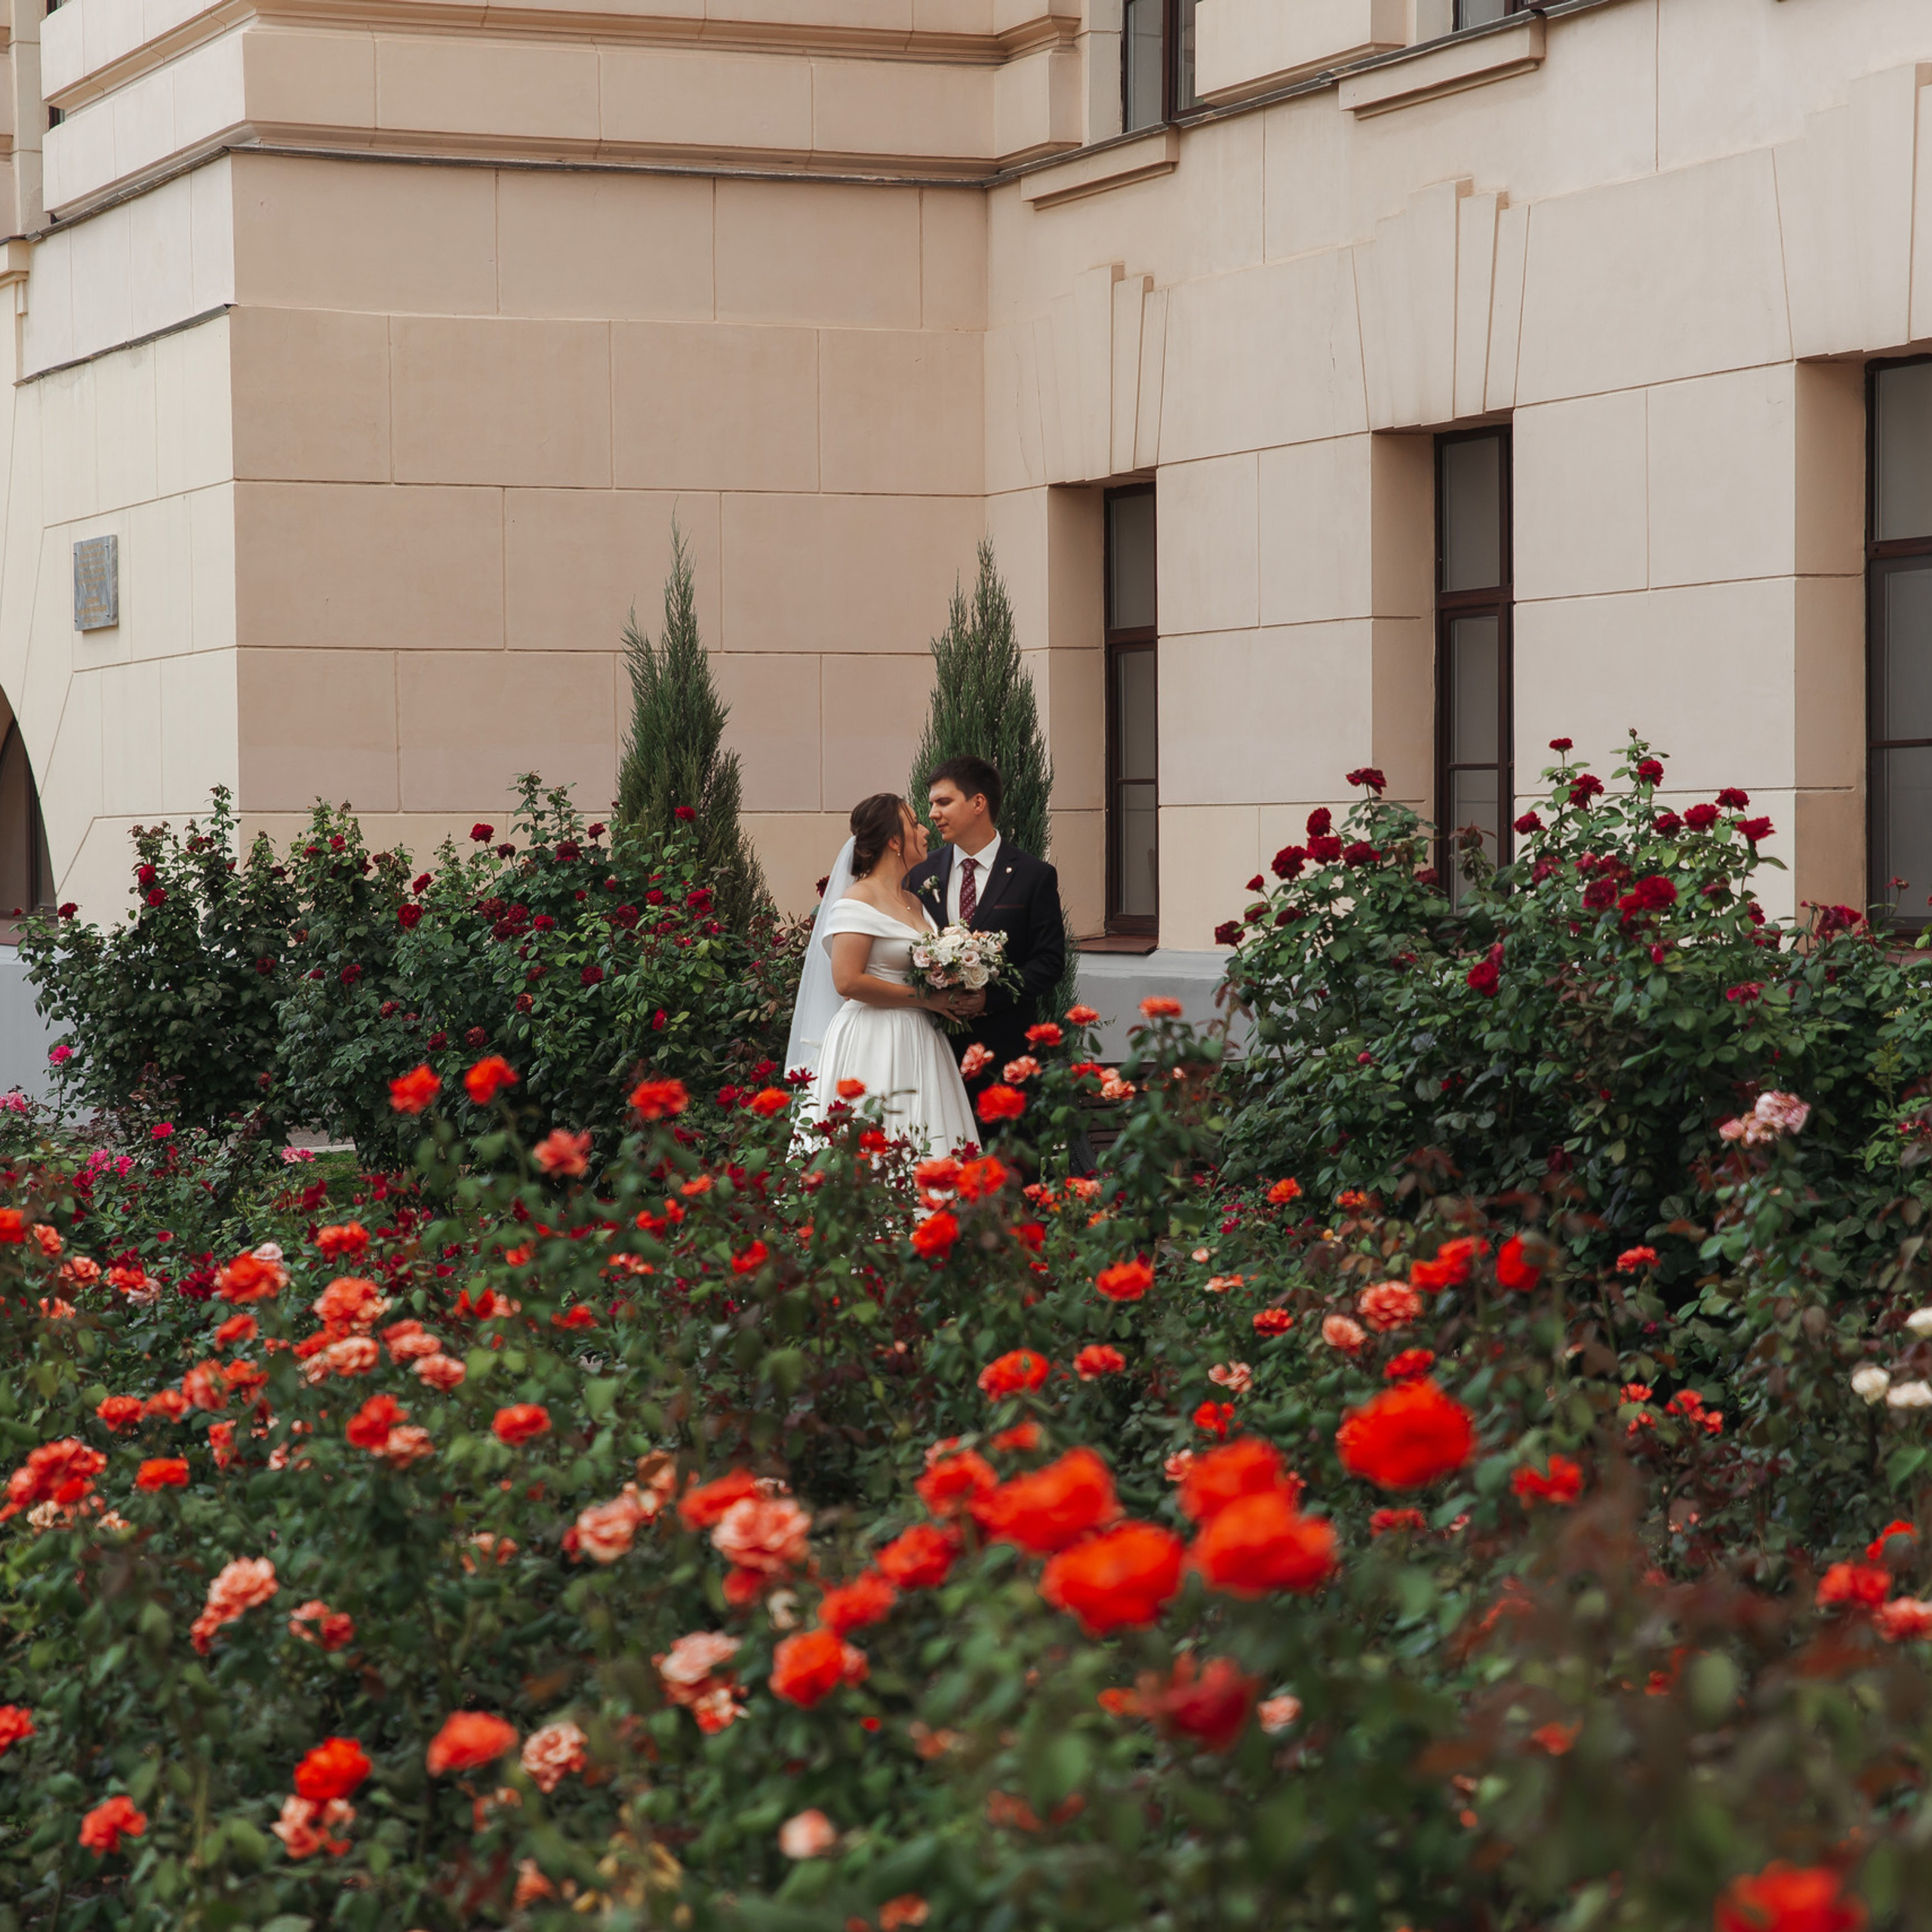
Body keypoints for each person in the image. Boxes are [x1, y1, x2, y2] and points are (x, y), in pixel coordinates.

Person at [786, 792, 980, 1155]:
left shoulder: (915, 902)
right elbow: (847, 981)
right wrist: (928, 998)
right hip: (873, 1039)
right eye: (914, 824)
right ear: (894, 841)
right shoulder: (857, 899)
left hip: (921, 1038)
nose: (926, 831)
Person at [902, 755, 1067, 1107]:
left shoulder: (1033, 876)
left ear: (979, 803)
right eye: (931, 803)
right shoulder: (920, 875)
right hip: (934, 1051)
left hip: (1006, 1055)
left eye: (943, 802)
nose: (932, 813)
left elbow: (1050, 961)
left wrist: (989, 999)